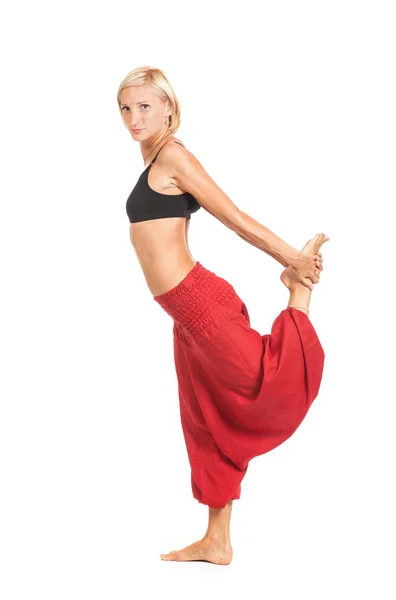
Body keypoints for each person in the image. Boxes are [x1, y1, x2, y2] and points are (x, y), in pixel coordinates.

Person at [117, 66, 329, 565]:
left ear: (169, 106)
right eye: (126, 108)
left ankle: (298, 294)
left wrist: (293, 263)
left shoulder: (174, 156)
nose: (133, 117)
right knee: (204, 421)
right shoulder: (151, 157)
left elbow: (234, 217)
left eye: (144, 106)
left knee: (262, 381)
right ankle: (217, 540)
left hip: (201, 302)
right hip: (182, 316)